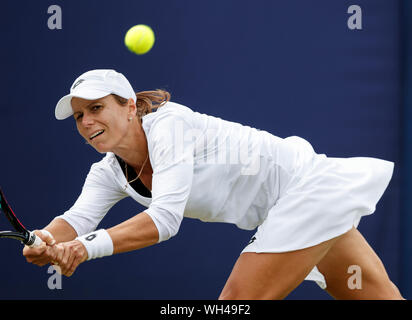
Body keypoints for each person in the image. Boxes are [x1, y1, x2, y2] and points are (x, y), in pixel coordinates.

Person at [23, 69, 404, 300]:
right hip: (299, 205)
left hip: (305, 189)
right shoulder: (107, 171)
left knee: (236, 301)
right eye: (78, 116)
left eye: (96, 108)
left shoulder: (169, 125)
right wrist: (46, 238)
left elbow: (165, 220)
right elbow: (75, 220)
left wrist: (84, 250)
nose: (86, 121)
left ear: (129, 106)